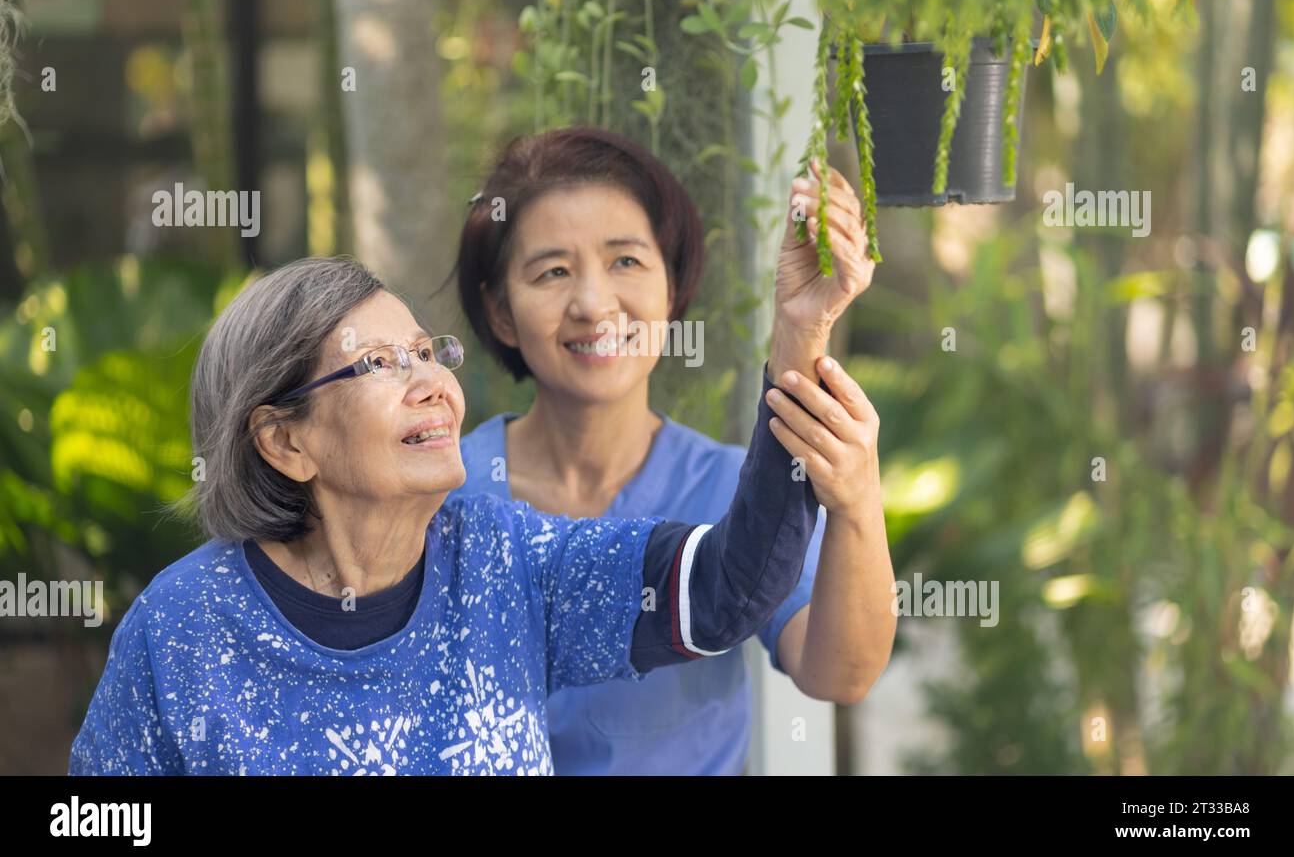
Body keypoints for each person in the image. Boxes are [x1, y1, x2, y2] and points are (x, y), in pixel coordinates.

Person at [68, 160, 878, 772]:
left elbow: (730, 586)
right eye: (380, 363)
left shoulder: (508, 561)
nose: (431, 384)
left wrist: (801, 333)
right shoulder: (182, 627)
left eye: (428, 351)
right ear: (286, 441)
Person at [452, 127, 895, 774]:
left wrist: (856, 502)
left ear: (671, 282)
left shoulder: (729, 487)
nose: (594, 303)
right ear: (499, 313)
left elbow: (839, 672)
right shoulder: (446, 490)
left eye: (625, 261)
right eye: (552, 270)